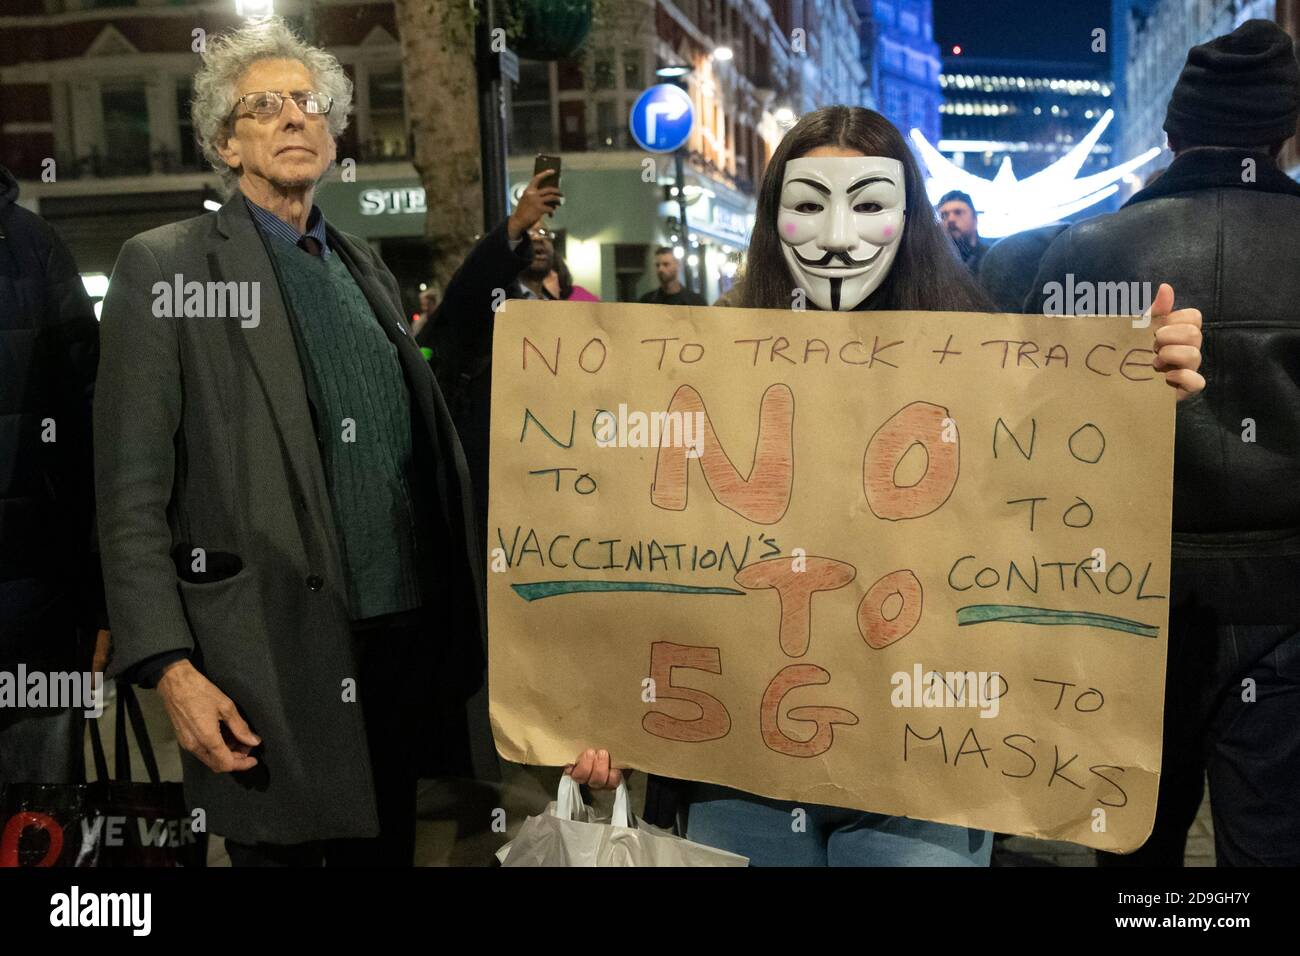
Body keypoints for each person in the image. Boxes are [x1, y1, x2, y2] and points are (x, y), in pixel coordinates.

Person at [570, 105, 1204, 866]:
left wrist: (1139, 386)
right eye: (809, 206)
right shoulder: (696, 365)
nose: (839, 236)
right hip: (740, 771)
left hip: (926, 772)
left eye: (869, 205)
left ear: (910, 219)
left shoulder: (984, 358)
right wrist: (602, 705)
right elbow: (646, 553)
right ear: (774, 221)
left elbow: (1048, 492)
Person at [94, 16, 488, 866]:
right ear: (224, 145)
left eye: (308, 103)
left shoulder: (363, 266)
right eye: (263, 107)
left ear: (335, 129)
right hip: (268, 665)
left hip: (399, 653)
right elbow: (129, 496)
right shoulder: (163, 268)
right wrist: (168, 665)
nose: (292, 118)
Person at [1027, 18, 1300, 867]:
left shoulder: (1087, 250)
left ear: (1171, 135)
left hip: (1130, 601)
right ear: (1283, 136)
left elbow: (1031, 434)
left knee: (1136, 848)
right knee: (1272, 843)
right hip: (1286, 605)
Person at [0, 162, 108, 794]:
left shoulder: (34, 245)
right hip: (38, 616)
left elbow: (94, 432)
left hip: (34, 624)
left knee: (39, 832)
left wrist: (99, 604)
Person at [937, 189, 987, 275]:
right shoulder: (934, 262)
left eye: (958, 212)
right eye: (944, 215)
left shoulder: (993, 258)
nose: (950, 219)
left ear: (975, 219)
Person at [638, 246, 706, 305]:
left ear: (677, 265)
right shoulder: (646, 301)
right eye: (657, 265)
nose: (660, 269)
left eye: (666, 264)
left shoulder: (695, 302)